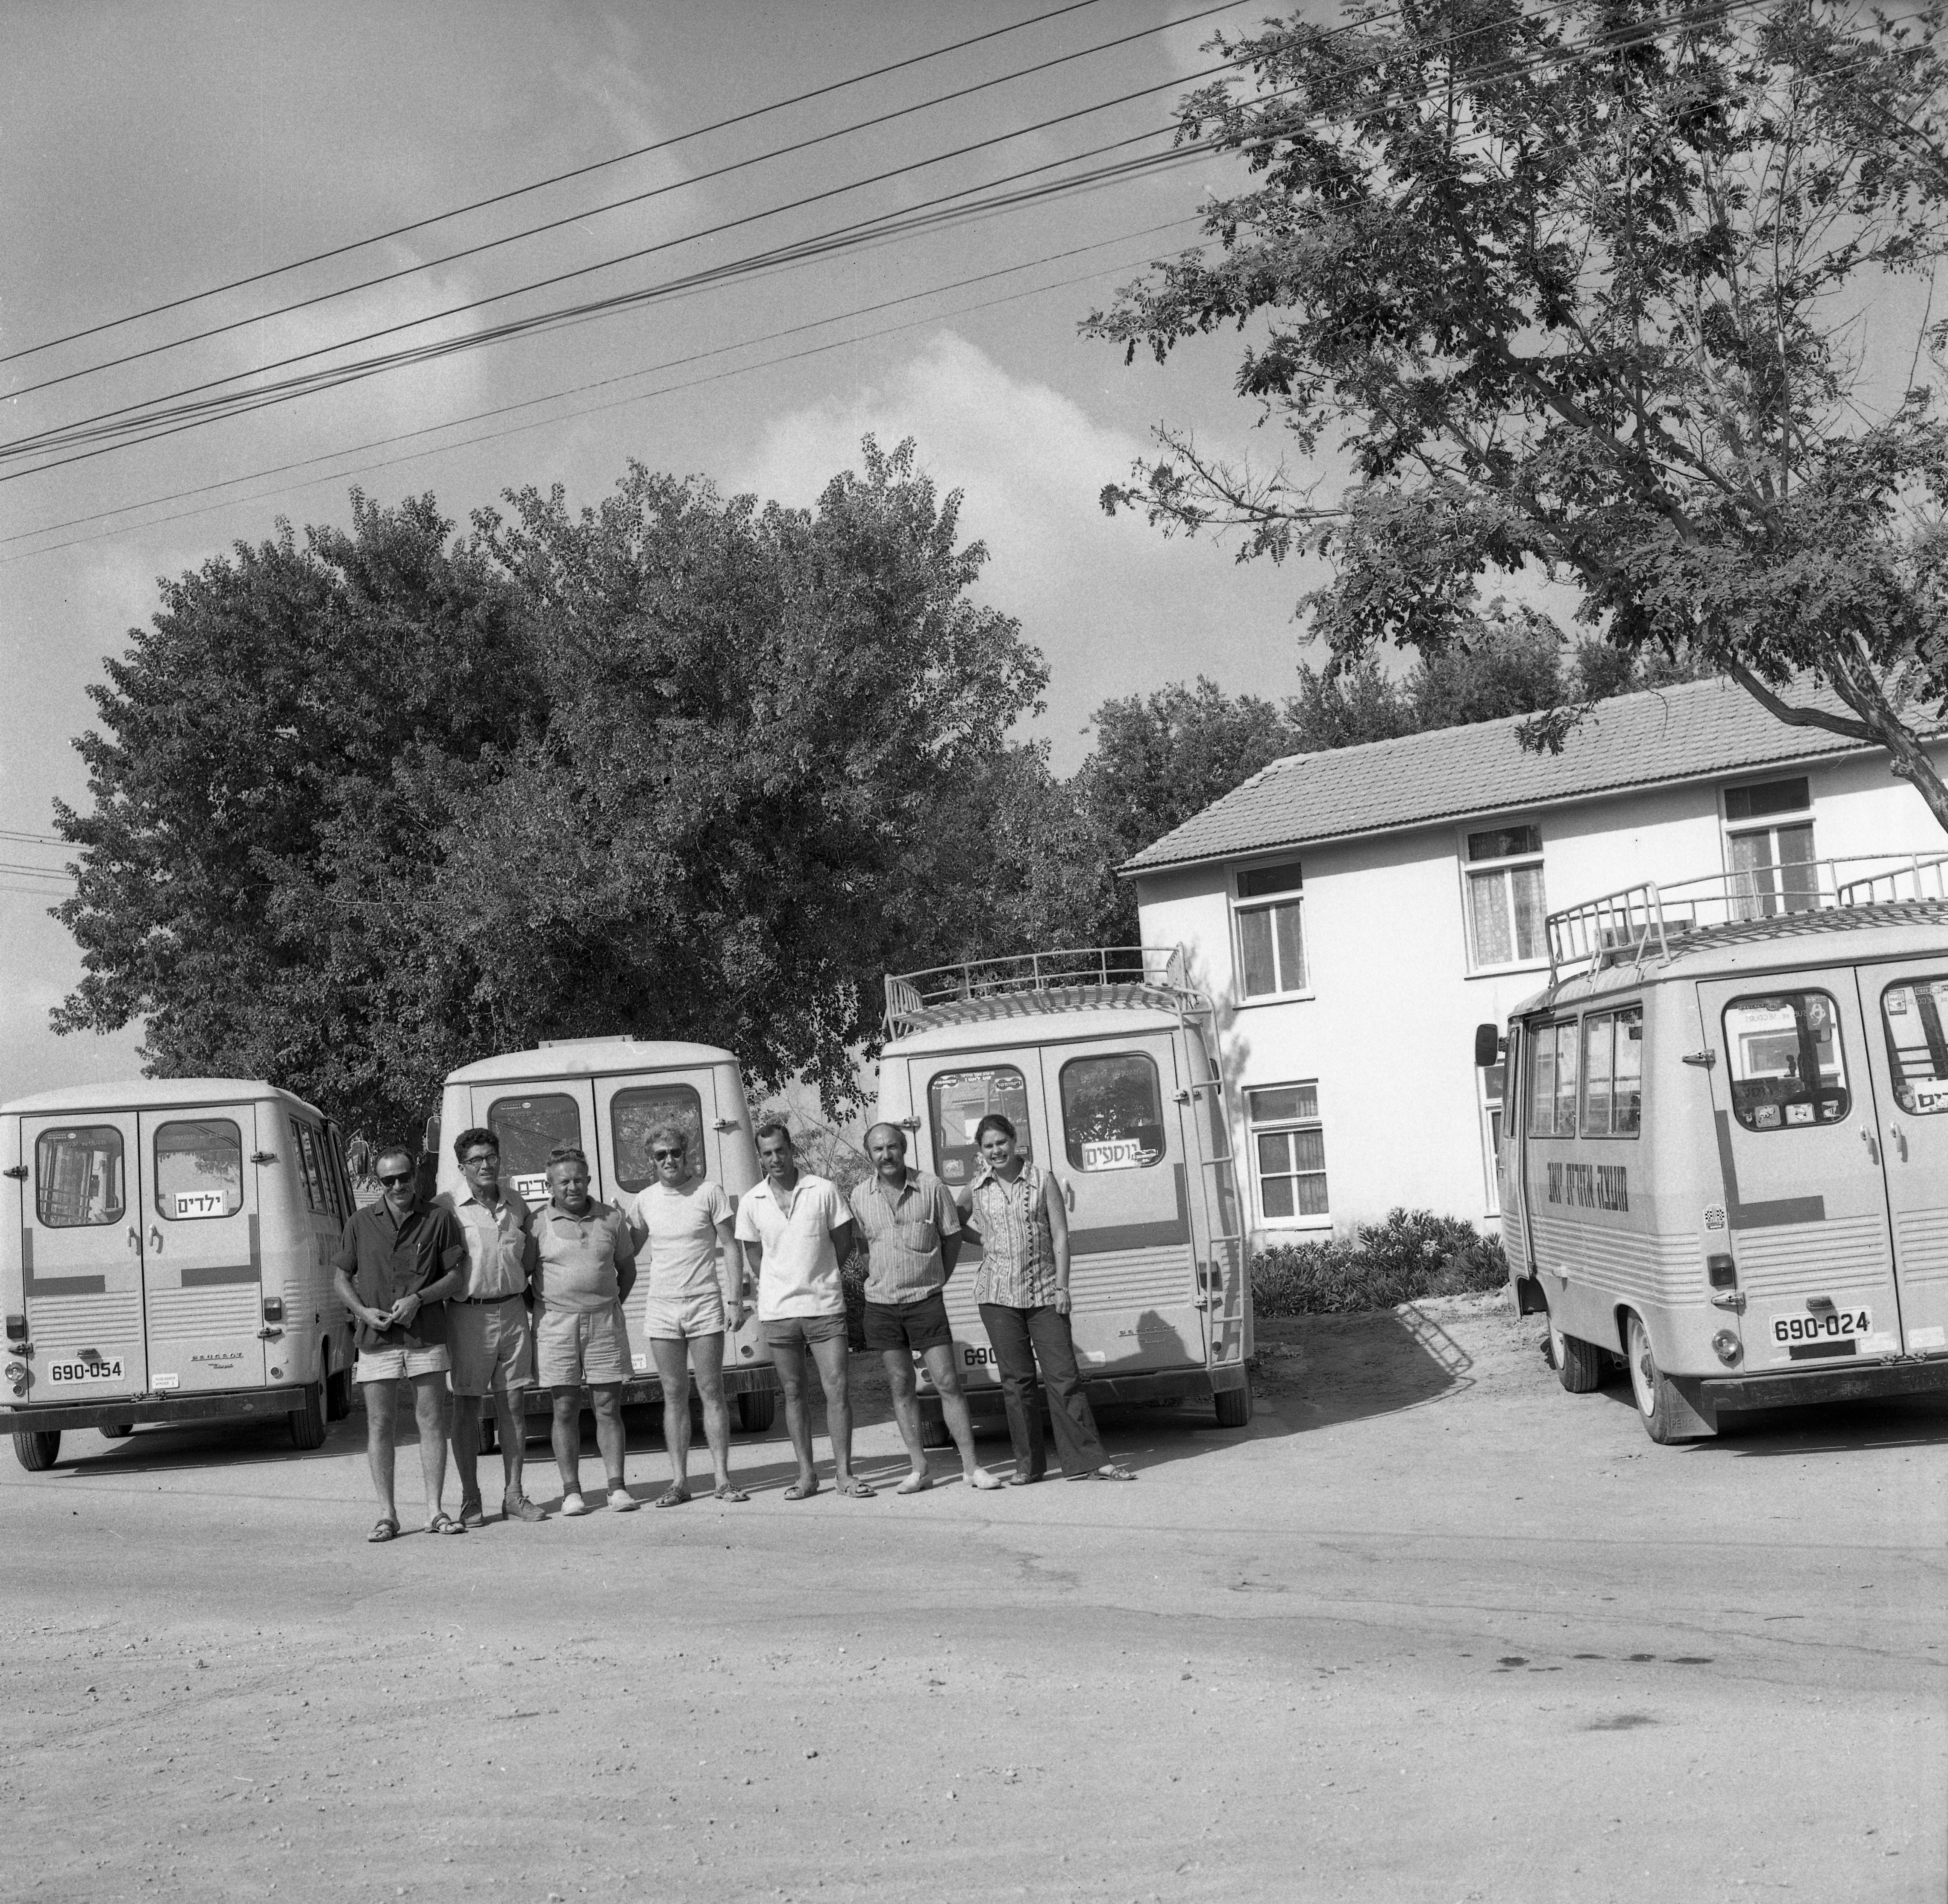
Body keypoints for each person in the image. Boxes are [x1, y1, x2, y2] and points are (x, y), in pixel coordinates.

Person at [955, 1115, 1135, 1484]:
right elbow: (953, 1223)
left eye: (1001, 1142)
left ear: (1014, 1140)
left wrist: (1063, 1287)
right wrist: (982, 1241)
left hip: (1044, 1292)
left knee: (1064, 1377)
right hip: (997, 1296)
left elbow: (1061, 1236)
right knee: (1016, 1383)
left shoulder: (1042, 1179)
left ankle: (1091, 1461)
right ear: (981, 1151)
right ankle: (1028, 1466)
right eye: (988, 1146)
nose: (996, 1151)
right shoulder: (976, 1187)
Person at [850, 1122, 1000, 1495]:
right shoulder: (858, 1195)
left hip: (925, 1301)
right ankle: (920, 1468)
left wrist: (935, 1281)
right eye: (878, 1150)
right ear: (869, 1155)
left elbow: (952, 1239)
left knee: (948, 1383)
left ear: (903, 1148)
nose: (886, 1156)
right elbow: (863, 1246)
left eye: (892, 1147)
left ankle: (971, 1468)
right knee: (901, 1386)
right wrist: (882, 1278)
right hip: (882, 1306)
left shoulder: (932, 1187)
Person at [331, 1142, 471, 1541]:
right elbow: (341, 1278)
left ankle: (435, 1511)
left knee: (431, 1422)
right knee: (380, 1424)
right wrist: (362, 1313)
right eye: (388, 1180)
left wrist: (419, 1299)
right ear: (380, 1182)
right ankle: (387, 1515)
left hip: (426, 1335)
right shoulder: (360, 1222)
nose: (397, 1186)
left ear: (416, 1177)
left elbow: (456, 1277)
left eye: (403, 1178)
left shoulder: (439, 1219)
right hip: (376, 1340)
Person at [735, 1121, 874, 1501]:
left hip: (824, 1306)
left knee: (837, 1389)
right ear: (761, 1158)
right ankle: (807, 1475)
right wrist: (783, 1282)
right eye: (767, 1154)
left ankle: (845, 1474)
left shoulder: (823, 1190)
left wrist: (818, 1277)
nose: (775, 1159)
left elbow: (842, 1243)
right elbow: (754, 1257)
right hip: (778, 1312)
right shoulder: (752, 1202)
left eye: (781, 1150)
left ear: (791, 1149)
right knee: (793, 1392)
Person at [625, 1122, 748, 1507]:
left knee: (712, 1391)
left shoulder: (709, 1193)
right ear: (651, 1160)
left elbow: (731, 1246)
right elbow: (627, 1249)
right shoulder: (644, 1200)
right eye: (661, 1155)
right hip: (661, 1308)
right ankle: (679, 1482)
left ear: (686, 1153)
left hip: (705, 1304)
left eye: (675, 1153)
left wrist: (736, 1301)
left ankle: (723, 1479)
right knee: (673, 1394)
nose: (669, 1160)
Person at [439, 1127, 546, 1527]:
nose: (485, 1166)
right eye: (476, 1160)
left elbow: (531, 1260)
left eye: (491, 1157)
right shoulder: (447, 1207)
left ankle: (514, 1495)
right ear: (462, 1166)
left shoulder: (517, 1204)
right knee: (467, 1406)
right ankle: (470, 1498)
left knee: (514, 1404)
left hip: (513, 1311)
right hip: (468, 1314)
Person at [531, 1145, 639, 1517]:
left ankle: (617, 1488)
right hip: (556, 1325)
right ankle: (571, 1492)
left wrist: (607, 1301)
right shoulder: (536, 1223)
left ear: (589, 1180)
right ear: (551, 1186)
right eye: (564, 1182)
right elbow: (526, 1275)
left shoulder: (611, 1219)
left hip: (604, 1321)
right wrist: (551, 1310)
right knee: (564, 1408)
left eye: (579, 1179)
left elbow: (627, 1269)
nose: (572, 1187)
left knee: (608, 1406)